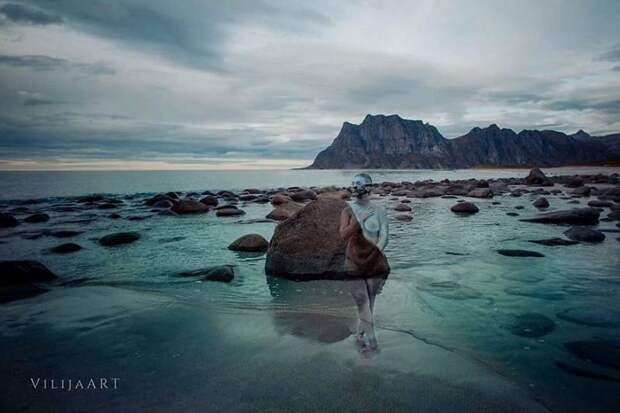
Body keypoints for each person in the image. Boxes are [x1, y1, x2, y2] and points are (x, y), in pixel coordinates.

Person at [339, 173, 389, 353]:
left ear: (368, 187)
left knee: (370, 303)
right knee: (362, 302)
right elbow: (343, 235)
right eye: (353, 184)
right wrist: (358, 221)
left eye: (358, 184)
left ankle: (360, 334)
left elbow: (384, 235)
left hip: (375, 263)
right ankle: (372, 341)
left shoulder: (379, 210)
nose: (354, 187)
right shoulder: (347, 211)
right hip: (354, 263)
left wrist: (377, 252)